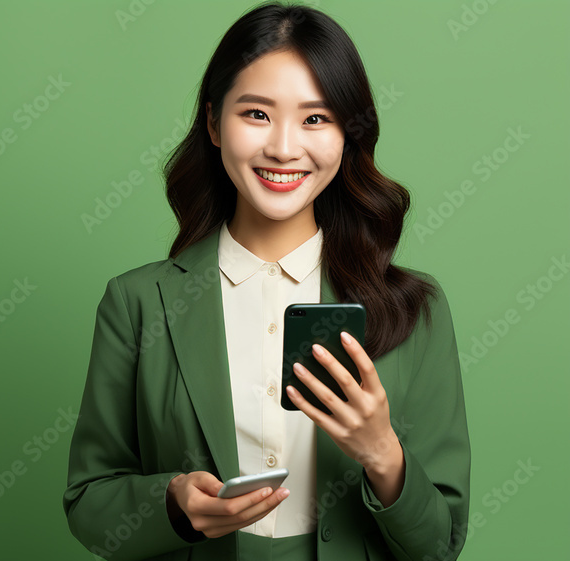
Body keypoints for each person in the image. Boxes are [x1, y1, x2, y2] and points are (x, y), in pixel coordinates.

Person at [62, 2, 471, 560]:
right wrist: (173, 503)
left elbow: (438, 546)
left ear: (348, 136)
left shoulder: (414, 308)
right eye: (256, 114)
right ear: (213, 122)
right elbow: (89, 502)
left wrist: (383, 453)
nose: (283, 147)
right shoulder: (137, 303)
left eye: (316, 118)